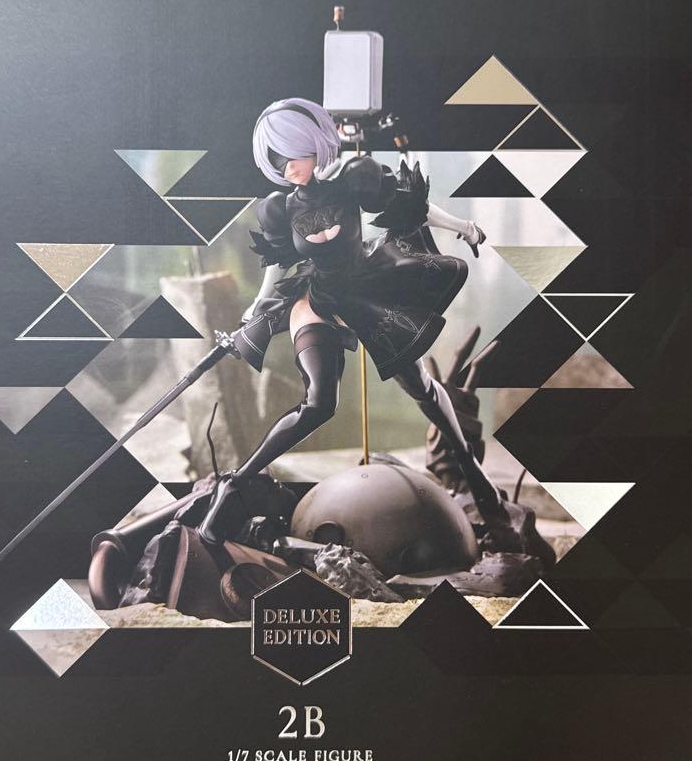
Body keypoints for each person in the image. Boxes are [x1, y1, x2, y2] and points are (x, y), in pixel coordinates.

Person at [197, 97, 500, 546]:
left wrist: (464, 227)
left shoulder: (353, 179)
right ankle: (236, 483)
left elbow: (412, 208)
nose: (287, 166)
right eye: (276, 159)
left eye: (292, 153)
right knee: (319, 404)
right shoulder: (280, 208)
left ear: (315, 144)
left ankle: (473, 472)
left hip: (368, 289)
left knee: (420, 387)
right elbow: (277, 263)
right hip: (316, 299)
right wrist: (257, 306)